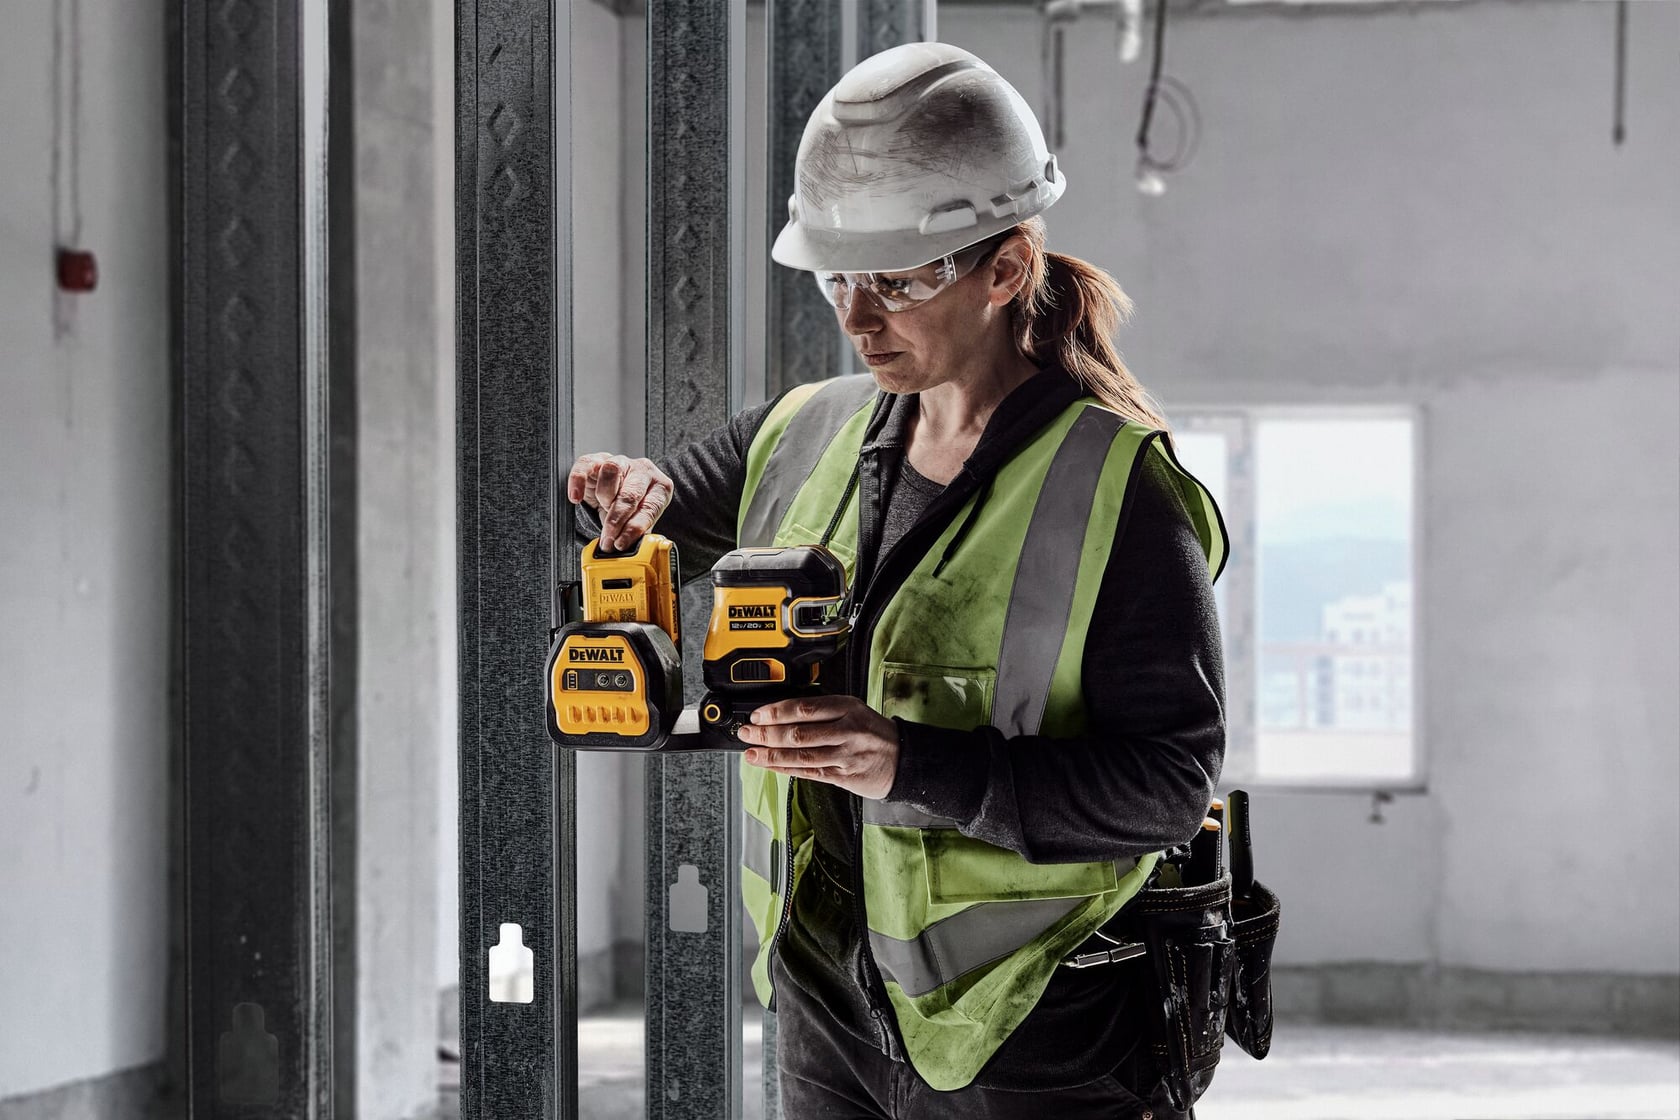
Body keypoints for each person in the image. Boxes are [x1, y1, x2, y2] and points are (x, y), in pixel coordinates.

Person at [569, 42, 1227, 1120]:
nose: (858, 316)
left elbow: (1167, 788)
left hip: (1038, 1017)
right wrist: (617, 502)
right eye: (839, 276)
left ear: (1007, 268)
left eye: (901, 280)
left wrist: (908, 761)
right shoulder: (797, 433)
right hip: (825, 994)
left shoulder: (1118, 491)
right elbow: (644, 528)